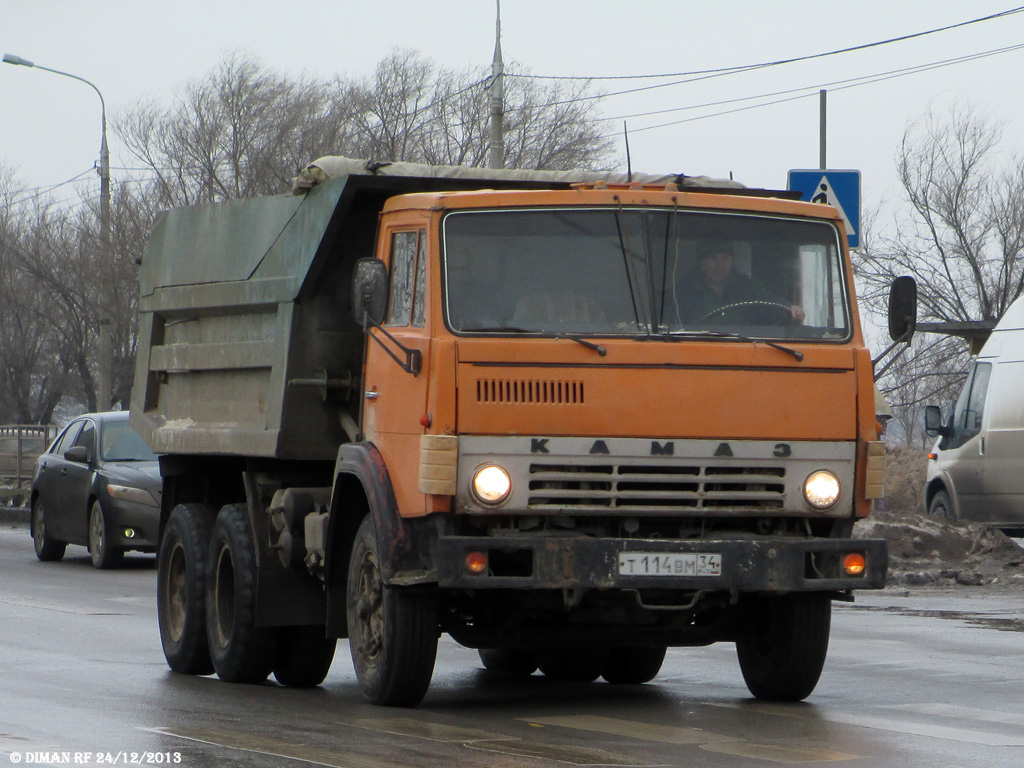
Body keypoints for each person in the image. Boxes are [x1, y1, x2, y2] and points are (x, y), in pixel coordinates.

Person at [675, 241, 805, 325]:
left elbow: (768, 302)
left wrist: (790, 308)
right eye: (713, 258)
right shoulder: (683, 294)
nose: (720, 265)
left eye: (725, 258)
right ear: (701, 262)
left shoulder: (746, 287)